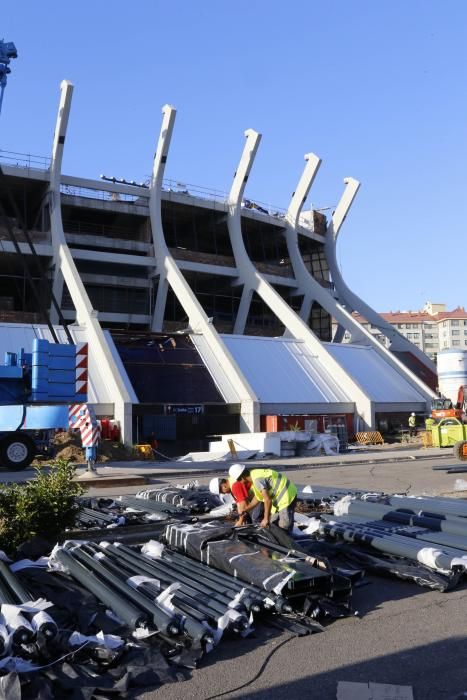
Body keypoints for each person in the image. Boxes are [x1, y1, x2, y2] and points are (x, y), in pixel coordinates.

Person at [228, 465, 297, 533]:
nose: (239, 482)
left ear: (242, 478)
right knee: (273, 524)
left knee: (284, 526)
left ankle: (288, 542)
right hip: (279, 499)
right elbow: (258, 498)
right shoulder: (254, 476)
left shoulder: (257, 480)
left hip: (286, 496)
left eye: (238, 480)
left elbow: (267, 500)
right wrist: (247, 509)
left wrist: (266, 518)